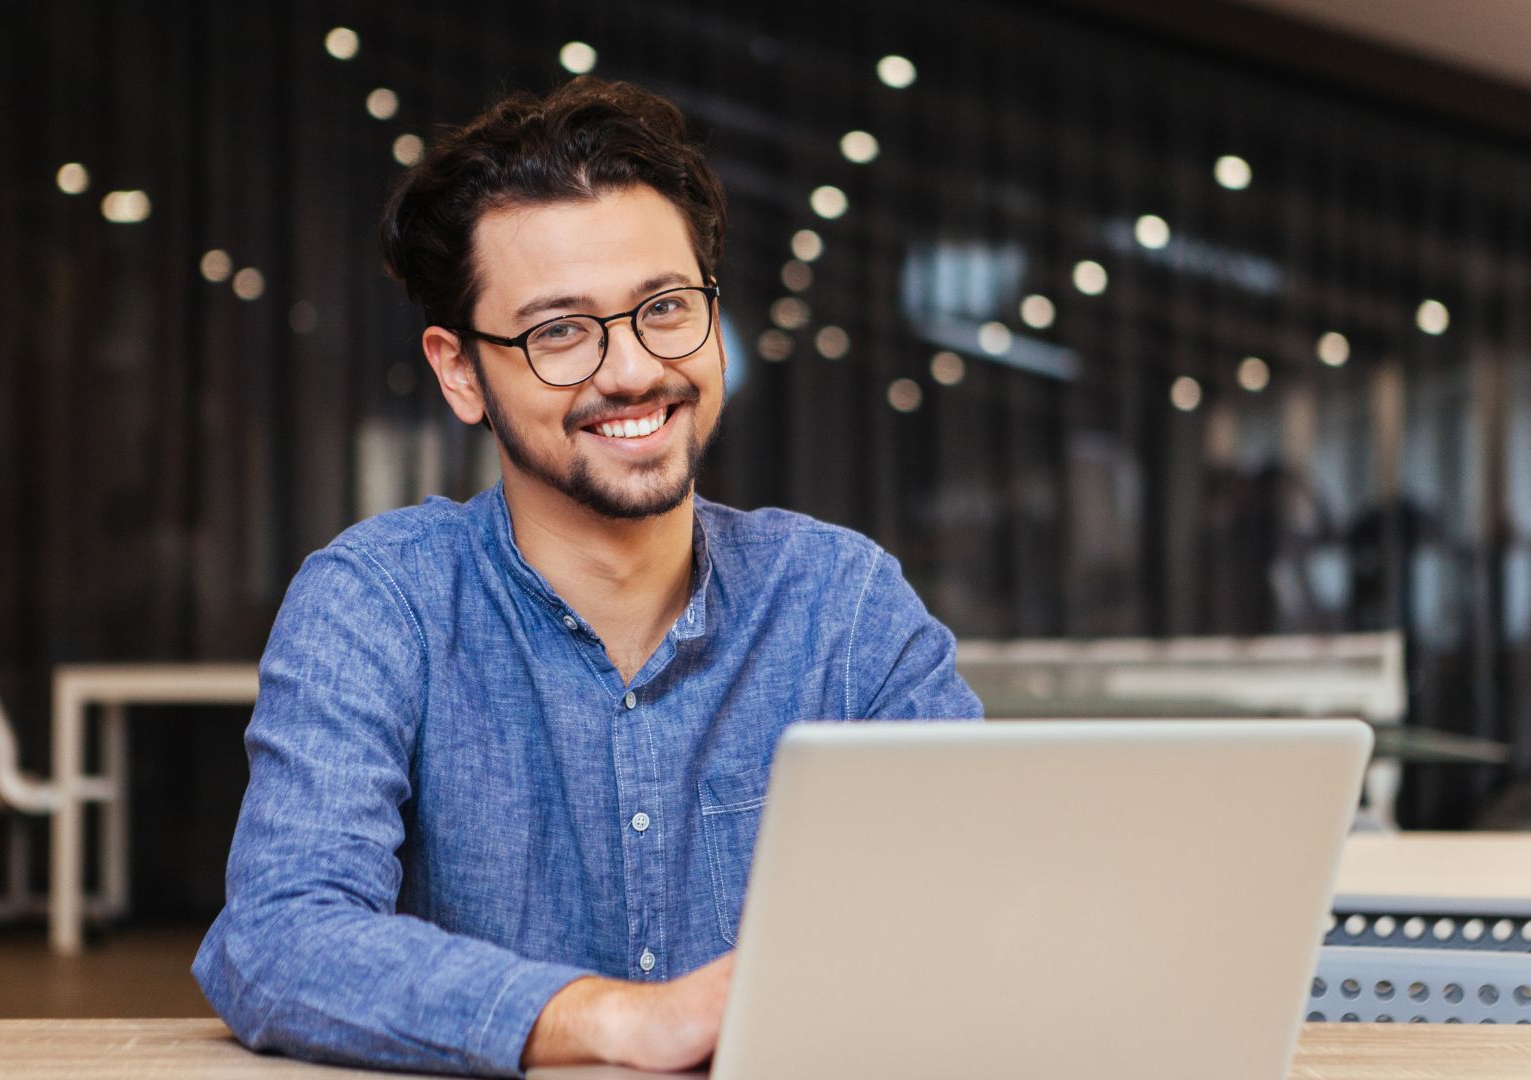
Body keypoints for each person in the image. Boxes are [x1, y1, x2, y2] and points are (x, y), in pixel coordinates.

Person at [192, 77, 980, 1078]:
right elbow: (278, 941)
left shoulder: (841, 602)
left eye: (665, 307)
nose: (633, 370)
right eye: (560, 330)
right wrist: (610, 1020)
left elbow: (977, 907)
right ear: (461, 372)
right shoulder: (378, 604)